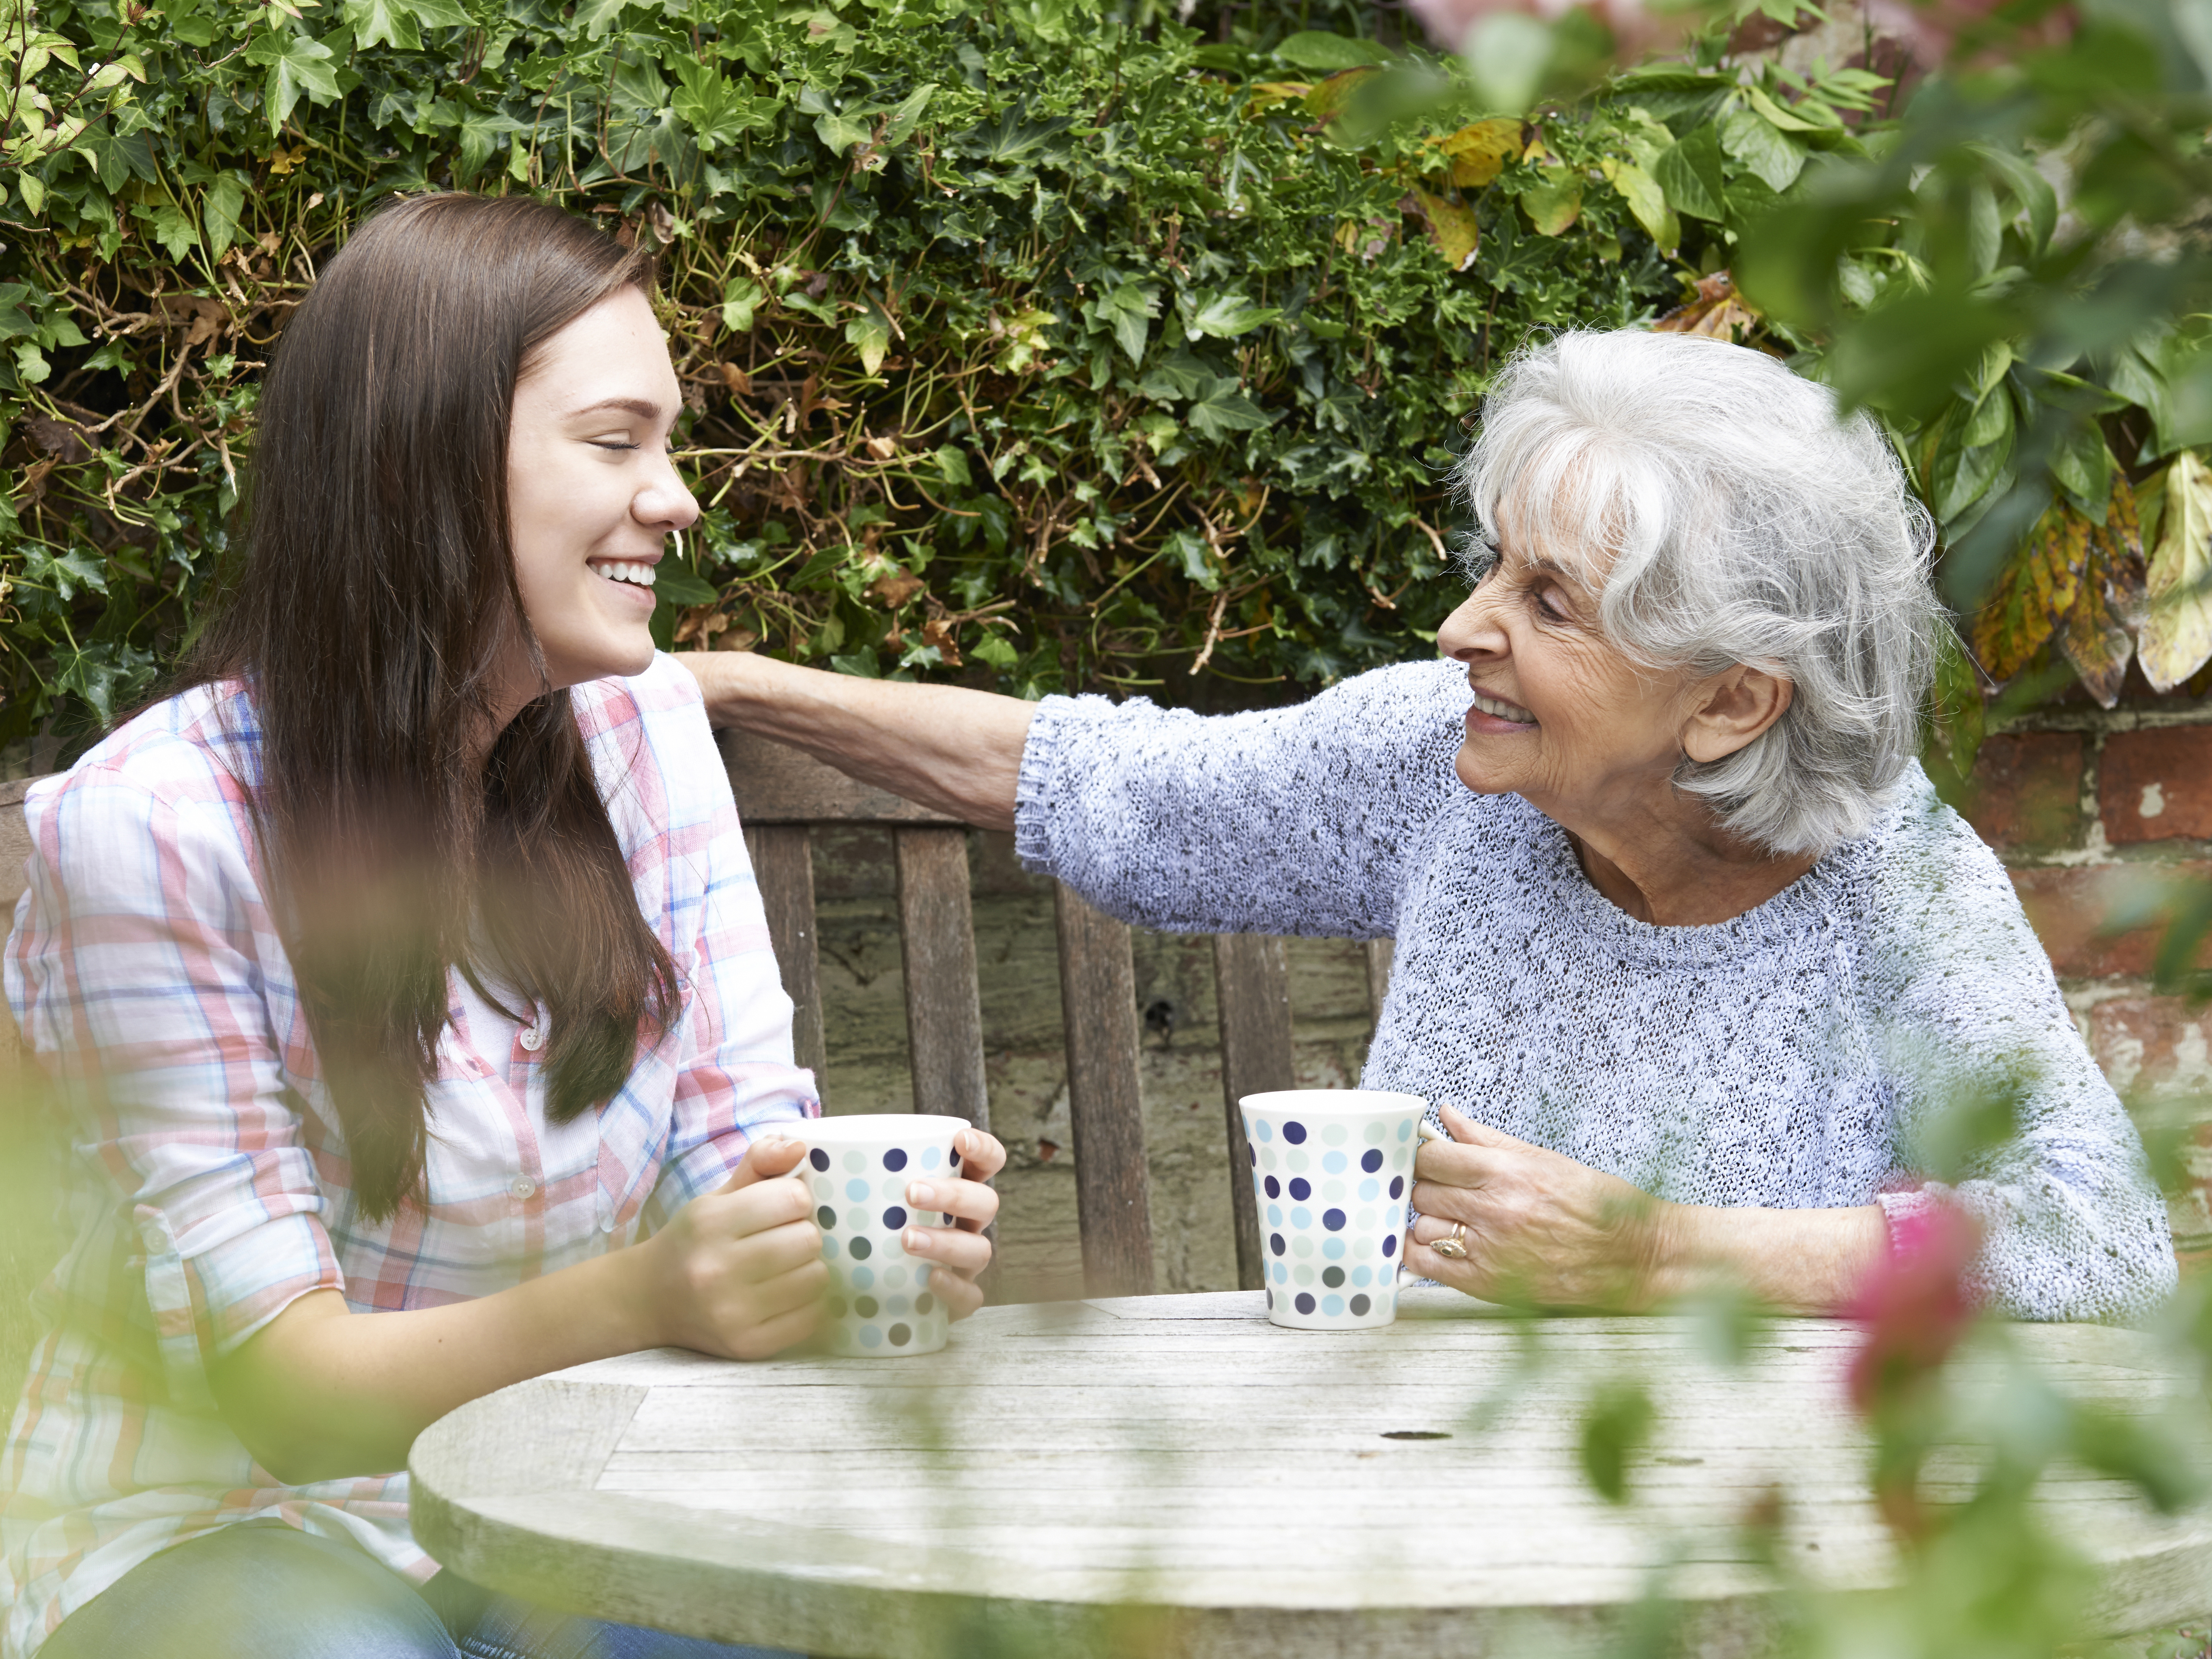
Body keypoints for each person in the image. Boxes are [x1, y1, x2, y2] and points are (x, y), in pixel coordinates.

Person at [679, 329, 2175, 1326]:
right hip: (1399, 1502)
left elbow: (2101, 1240)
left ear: (1729, 702)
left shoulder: (1892, 887)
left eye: (1547, 602)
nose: (1464, 627)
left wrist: (1655, 1251)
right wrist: (730, 686)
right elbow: (1113, 785)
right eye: (1493, 569)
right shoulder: (1453, 765)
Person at [1, 194, 1006, 1659]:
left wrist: (847, 1243)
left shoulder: (641, 736)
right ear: (430, 466)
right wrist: (654, 1293)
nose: (677, 498)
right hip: (212, 1531)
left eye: (668, 443)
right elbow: (280, 1391)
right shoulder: (155, 828)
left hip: (576, 1491)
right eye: (615, 443)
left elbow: (745, 1155)